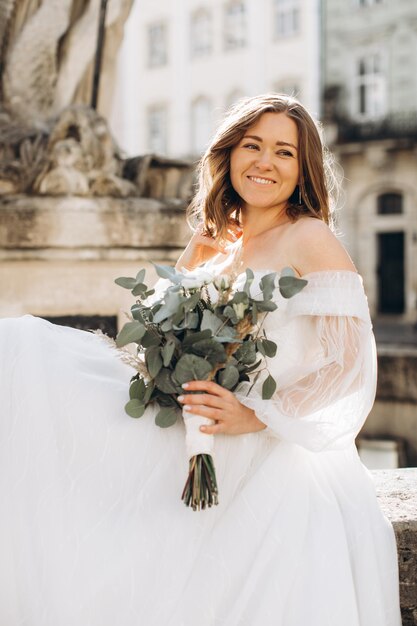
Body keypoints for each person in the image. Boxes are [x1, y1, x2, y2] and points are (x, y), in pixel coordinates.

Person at [0, 94, 401, 625]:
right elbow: (153, 334)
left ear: (302, 168)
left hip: (257, 442)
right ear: (229, 154)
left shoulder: (309, 236)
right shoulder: (217, 239)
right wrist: (169, 371)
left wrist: (257, 416)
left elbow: (349, 364)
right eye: (252, 145)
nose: (265, 162)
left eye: (284, 152)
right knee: (24, 354)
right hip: (191, 417)